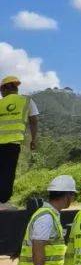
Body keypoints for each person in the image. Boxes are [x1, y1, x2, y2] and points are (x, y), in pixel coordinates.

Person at [0, 75, 39, 205]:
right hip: (13, 144)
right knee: (8, 173)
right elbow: (33, 121)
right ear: (16, 88)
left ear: (5, 89)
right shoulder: (27, 101)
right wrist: (33, 140)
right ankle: (3, 202)